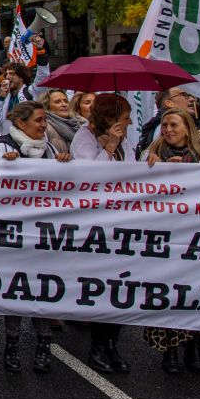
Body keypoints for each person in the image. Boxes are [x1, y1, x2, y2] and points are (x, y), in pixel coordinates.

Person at [139, 108, 200, 377]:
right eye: (164, 125)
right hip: (166, 234)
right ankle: (170, 349)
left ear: (188, 128)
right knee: (168, 293)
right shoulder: (151, 155)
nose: (168, 130)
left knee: (196, 292)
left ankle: (194, 347)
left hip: (196, 234)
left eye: (174, 125)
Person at [0, 101, 69, 373]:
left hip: (45, 235)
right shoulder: (3, 147)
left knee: (43, 290)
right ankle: (12, 345)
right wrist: (2, 166)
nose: (44, 125)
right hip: (15, 234)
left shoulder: (52, 150)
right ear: (21, 124)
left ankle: (43, 346)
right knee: (17, 289)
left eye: (44, 120)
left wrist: (65, 165)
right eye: (39, 120)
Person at [70, 93, 135, 374]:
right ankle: (97, 344)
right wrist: (108, 146)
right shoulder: (84, 137)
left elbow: (132, 170)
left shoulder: (126, 139)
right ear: (110, 117)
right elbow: (89, 177)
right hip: (95, 221)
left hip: (122, 219)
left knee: (122, 285)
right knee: (102, 285)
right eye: (124, 117)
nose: (129, 122)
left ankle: (112, 342)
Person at [136, 86, 198, 157]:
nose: (192, 99)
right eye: (184, 95)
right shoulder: (161, 129)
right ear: (169, 103)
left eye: (174, 125)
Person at [0, 64, 36, 129]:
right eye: (6, 74)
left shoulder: (30, 92)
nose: (8, 77)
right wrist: (1, 97)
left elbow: (41, 77)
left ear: (22, 77)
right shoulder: (6, 97)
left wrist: (42, 58)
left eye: (11, 74)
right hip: (8, 136)